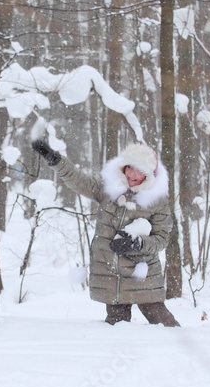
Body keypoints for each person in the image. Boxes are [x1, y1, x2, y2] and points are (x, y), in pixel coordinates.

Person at [32, 138, 180, 326]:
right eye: (129, 168)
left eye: (140, 171)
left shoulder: (156, 200)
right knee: (116, 329)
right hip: (111, 275)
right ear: (123, 167)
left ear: (149, 175)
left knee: (164, 324)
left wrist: (139, 244)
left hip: (141, 275)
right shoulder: (109, 189)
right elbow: (79, 181)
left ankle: (177, 355)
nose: (132, 174)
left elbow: (162, 239)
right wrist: (56, 160)